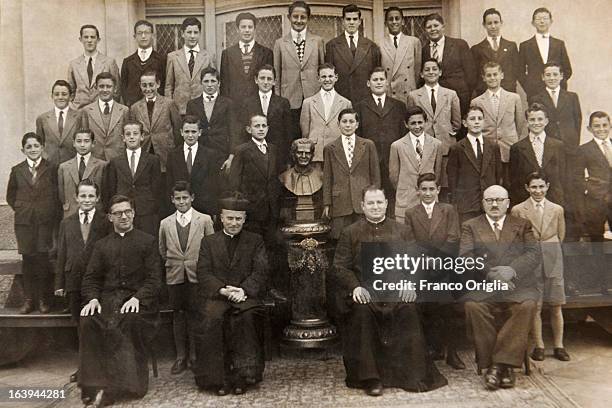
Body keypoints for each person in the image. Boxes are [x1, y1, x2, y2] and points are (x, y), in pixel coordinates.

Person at [332, 186, 447, 396]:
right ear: (362, 206)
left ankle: (410, 376)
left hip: (396, 291)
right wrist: (355, 287)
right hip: (366, 291)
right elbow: (340, 266)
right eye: (370, 203)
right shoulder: (350, 232)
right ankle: (371, 378)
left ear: (386, 204)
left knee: (408, 311)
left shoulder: (402, 230)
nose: (375, 207)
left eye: (379, 202)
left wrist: (409, 283)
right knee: (362, 313)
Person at [78, 194, 160, 406]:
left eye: (128, 212)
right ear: (110, 217)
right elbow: (91, 278)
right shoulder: (102, 245)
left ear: (133, 214)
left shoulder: (147, 241)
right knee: (88, 321)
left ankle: (123, 386)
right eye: (118, 213)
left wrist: (138, 297)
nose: (124, 217)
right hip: (107, 301)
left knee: (128, 321)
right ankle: (92, 384)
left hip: (139, 303)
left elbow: (154, 279)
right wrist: (93, 299)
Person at [461, 185, 540, 391]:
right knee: (472, 306)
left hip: (517, 286)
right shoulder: (470, 226)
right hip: (485, 286)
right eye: (489, 200)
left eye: (498, 200)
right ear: (483, 203)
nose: (494, 204)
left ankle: (497, 366)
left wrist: (511, 271)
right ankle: (502, 367)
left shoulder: (522, 224)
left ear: (507, 202)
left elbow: (534, 254)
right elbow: (466, 258)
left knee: (527, 305)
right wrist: (493, 274)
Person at [193, 192, 268, 395]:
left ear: (244, 219)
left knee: (246, 318)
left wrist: (243, 289)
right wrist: (223, 290)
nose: (234, 223)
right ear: (221, 218)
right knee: (212, 318)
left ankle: (243, 377)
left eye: (238, 218)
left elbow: (260, 271)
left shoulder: (255, 241)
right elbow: (203, 272)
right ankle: (217, 379)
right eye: (230, 218)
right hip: (219, 295)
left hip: (246, 297)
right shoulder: (208, 242)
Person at [403, 173, 464, 369]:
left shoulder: (448, 210)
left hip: (445, 267)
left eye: (432, 189)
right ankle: (431, 348)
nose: (428, 193)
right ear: (417, 191)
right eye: (424, 189)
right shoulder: (411, 213)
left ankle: (452, 352)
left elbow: (454, 238)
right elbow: (410, 242)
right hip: (422, 268)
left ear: (438, 190)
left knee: (448, 306)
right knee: (424, 306)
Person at [511, 172, 569, 362]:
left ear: (548, 186)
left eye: (541, 186)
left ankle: (559, 345)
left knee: (556, 304)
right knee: (535, 305)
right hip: (531, 260)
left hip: (553, 259)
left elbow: (560, 236)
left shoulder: (557, 209)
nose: (538, 191)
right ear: (527, 188)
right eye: (534, 187)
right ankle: (539, 345)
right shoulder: (519, 210)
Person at [55, 179, 108, 383]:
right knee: (79, 326)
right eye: (83, 196)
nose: (87, 200)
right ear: (76, 198)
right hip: (74, 281)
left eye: (91, 196)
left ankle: (101, 367)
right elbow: (61, 253)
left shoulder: (104, 222)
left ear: (98, 198)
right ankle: (84, 368)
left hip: (98, 282)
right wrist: (59, 283)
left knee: (97, 323)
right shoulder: (66, 223)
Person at [159, 181, 214, 375]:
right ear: (172, 200)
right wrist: (176, 263)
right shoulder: (165, 223)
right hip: (175, 275)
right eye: (177, 198)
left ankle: (195, 356)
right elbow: (162, 250)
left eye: (185, 198)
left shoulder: (205, 220)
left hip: (197, 275)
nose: (181, 202)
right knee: (178, 314)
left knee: (196, 313)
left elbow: (211, 247)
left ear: (192, 198)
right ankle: (180, 356)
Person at [230, 114, 283, 296]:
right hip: (253, 211)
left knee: (271, 249)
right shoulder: (242, 150)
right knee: (253, 251)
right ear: (249, 129)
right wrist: (245, 206)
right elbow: (234, 183)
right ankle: (252, 289)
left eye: (264, 125)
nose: (261, 129)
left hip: (271, 211)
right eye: (257, 126)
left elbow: (276, 179)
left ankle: (270, 287)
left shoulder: (274, 150)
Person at [6, 133, 59, 314]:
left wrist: (45, 212)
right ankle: (29, 300)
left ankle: (44, 299)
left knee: (43, 259)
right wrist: (24, 210)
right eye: (29, 147)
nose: (33, 149)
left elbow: (56, 194)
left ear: (42, 147)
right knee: (28, 260)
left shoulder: (51, 168)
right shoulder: (17, 170)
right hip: (25, 224)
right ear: (23, 150)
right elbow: (11, 197)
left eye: (36, 146)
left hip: (44, 222)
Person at [323, 109, 381, 239]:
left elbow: (375, 176)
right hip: (340, 202)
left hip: (363, 200)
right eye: (344, 121)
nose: (348, 125)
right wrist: (327, 203)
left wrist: (374, 199)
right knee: (341, 240)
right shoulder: (330, 148)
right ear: (338, 124)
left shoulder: (368, 145)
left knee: (365, 238)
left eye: (351, 121)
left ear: (357, 124)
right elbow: (327, 177)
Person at [407, 58, 461, 196]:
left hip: (445, 146)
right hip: (424, 147)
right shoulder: (414, 96)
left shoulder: (451, 94)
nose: (431, 72)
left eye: (434, 69)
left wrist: (446, 133)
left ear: (440, 72)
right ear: (421, 74)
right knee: (426, 184)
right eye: (427, 69)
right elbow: (413, 120)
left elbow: (456, 122)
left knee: (445, 184)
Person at [354, 67, 406, 204]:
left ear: (387, 82)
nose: (378, 82)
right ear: (368, 83)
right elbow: (358, 136)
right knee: (372, 195)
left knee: (392, 196)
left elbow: (403, 134)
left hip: (392, 158)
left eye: (381, 79)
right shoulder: (360, 106)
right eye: (375, 79)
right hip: (370, 158)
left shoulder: (399, 106)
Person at [573, 111, 612, 294]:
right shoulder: (584, 149)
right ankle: (602, 283)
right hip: (596, 204)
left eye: (605, 125)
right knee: (598, 243)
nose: (601, 129)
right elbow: (578, 178)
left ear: (610, 126)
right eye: (597, 126)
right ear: (590, 128)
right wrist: (591, 190)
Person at [103, 121, 163, 237]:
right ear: (123, 138)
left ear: (142, 136)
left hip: (146, 211)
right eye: (128, 134)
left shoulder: (152, 160)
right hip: (123, 211)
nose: (131, 137)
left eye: (135, 133)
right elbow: (110, 189)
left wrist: (153, 209)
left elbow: (157, 188)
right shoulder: (115, 162)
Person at [273, 1, 325, 128]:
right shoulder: (280, 43)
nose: (299, 20)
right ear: (289, 17)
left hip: (313, 97)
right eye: (295, 16)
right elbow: (277, 74)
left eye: (303, 17)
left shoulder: (317, 41)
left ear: (308, 18)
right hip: (289, 99)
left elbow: (322, 71)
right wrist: (278, 100)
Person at [447, 106, 503, 223]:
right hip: (467, 205)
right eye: (472, 119)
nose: (477, 122)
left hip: (489, 203)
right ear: (465, 123)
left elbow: (498, 176)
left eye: (480, 118)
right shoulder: (457, 148)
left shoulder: (493, 147)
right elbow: (453, 179)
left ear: (484, 122)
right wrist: (457, 203)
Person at [470, 61, 524, 183]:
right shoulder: (477, 102)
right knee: (490, 182)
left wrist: (512, 138)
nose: (492, 78)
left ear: (502, 75)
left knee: (509, 182)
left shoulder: (514, 98)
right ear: (483, 78)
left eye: (495, 74)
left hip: (509, 146)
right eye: (489, 75)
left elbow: (519, 123)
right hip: (488, 149)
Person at [389, 106, 443, 223]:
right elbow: (394, 177)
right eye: (413, 123)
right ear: (406, 124)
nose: (417, 126)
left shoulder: (436, 144)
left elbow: (437, 173)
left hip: (429, 198)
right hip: (406, 200)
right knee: (406, 236)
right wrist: (404, 189)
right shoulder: (397, 146)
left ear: (426, 122)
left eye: (420, 122)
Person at [185, 67, 239, 181]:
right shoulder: (192, 104)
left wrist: (231, 156)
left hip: (221, 153)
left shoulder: (228, 104)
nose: (210, 85)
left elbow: (233, 131)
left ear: (219, 83)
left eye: (213, 81)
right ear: (201, 83)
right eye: (206, 81)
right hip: (199, 152)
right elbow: (189, 129)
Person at [509, 103, 565, 207]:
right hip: (525, 199)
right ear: (526, 122)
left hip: (553, 199)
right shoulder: (517, 148)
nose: (536, 123)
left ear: (546, 121)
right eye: (532, 120)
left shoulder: (558, 145)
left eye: (540, 119)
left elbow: (563, 175)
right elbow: (514, 180)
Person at [239, 65, 295, 167]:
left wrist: (288, 159)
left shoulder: (283, 103)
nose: (265, 82)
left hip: (278, 154)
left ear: (274, 81)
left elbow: (288, 132)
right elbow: (243, 130)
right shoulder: (247, 102)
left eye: (269, 79)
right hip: (253, 154)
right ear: (256, 80)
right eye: (262, 78)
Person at [421, 13, 476, 117]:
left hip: (460, 97)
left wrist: (467, 96)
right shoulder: (424, 50)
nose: (433, 29)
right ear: (425, 30)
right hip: (436, 98)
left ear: (443, 27)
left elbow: (471, 75)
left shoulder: (459, 45)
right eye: (429, 27)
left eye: (436, 25)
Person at [325, 4, 381, 105]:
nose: (351, 22)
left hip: (365, 100)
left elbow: (376, 76)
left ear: (359, 21)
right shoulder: (332, 45)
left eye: (355, 19)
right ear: (342, 21)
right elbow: (329, 75)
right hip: (341, 100)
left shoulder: (371, 46)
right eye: (348, 19)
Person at [129, 70, 182, 173]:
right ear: (140, 85)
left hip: (165, 151)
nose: (148, 89)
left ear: (158, 84)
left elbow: (177, 129)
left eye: (151, 85)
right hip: (145, 151)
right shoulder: (135, 107)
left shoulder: (169, 104)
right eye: (144, 85)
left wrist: (176, 151)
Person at [299, 63, 352, 162]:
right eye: (323, 76)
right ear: (318, 79)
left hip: (337, 152)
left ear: (336, 78)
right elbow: (305, 132)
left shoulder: (345, 103)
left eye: (330, 76)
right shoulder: (308, 103)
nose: (327, 80)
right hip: (316, 153)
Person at [166, 116, 217, 216]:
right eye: (187, 131)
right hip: (179, 206)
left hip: (203, 206)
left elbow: (213, 184)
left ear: (200, 132)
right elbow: (169, 183)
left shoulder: (210, 155)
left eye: (193, 132)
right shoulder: (173, 155)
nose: (190, 135)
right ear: (181, 132)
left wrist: (212, 208)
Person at [518, 7, 572, 100]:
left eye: (545, 18)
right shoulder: (525, 46)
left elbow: (567, 69)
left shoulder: (559, 44)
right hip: (534, 92)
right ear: (533, 23)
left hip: (557, 93)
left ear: (551, 21)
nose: (542, 21)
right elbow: (519, 71)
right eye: (538, 19)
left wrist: (557, 84)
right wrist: (529, 87)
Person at [165, 17, 214, 115]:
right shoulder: (173, 57)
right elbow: (168, 86)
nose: (192, 36)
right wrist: (169, 109)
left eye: (195, 32)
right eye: (189, 32)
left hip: (202, 108)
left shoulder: (208, 56)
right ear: (183, 33)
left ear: (199, 34)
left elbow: (214, 83)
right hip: (179, 109)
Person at [220, 12, 274, 101]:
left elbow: (269, 83)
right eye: (243, 27)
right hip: (235, 105)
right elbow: (224, 85)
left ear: (255, 29)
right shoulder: (227, 54)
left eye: (250, 27)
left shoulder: (266, 53)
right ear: (237, 29)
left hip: (258, 104)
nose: (247, 30)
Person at [530, 63, 582, 150]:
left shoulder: (572, 97)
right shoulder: (536, 99)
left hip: (569, 144)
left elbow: (577, 121)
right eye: (548, 75)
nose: (552, 78)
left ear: (561, 76)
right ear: (543, 77)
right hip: (548, 144)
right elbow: (534, 124)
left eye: (555, 74)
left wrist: (575, 140)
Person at [67, 24, 120, 109]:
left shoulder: (109, 62)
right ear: (80, 39)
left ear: (98, 40)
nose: (89, 40)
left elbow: (116, 90)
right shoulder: (74, 64)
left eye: (92, 37)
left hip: (102, 111)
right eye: (86, 37)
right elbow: (71, 91)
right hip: (80, 111)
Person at [58, 129, 106, 219]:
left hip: (95, 212)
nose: (82, 145)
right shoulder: (64, 167)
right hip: (70, 213)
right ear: (73, 143)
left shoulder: (102, 165)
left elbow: (104, 192)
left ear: (93, 143)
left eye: (86, 141)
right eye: (79, 141)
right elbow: (61, 195)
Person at [470, 8, 520, 95]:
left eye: (496, 22)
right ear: (484, 25)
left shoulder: (511, 46)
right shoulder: (476, 49)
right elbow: (474, 75)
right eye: (489, 23)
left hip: (508, 91)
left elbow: (516, 71)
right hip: (485, 93)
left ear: (501, 23)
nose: (493, 26)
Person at [81, 72, 129, 161]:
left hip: (117, 158)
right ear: (96, 88)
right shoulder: (87, 111)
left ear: (115, 89)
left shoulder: (124, 110)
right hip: (95, 158)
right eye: (101, 86)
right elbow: (84, 137)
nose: (105, 90)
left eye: (109, 86)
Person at [35, 80, 83, 167]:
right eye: (57, 94)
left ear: (71, 97)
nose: (60, 97)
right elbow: (39, 144)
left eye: (64, 94)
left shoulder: (79, 117)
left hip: (72, 166)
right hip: (49, 166)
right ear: (52, 96)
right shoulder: (42, 119)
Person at [379, 7, 421, 102]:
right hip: (389, 95)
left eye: (397, 18)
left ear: (402, 21)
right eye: (391, 19)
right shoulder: (379, 44)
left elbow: (417, 72)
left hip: (409, 94)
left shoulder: (413, 42)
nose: (394, 22)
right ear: (386, 23)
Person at [120, 20, 167, 107]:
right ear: (134, 36)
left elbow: (165, 84)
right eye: (140, 33)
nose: (143, 36)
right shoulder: (127, 62)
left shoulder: (162, 60)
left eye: (147, 33)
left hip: (156, 107)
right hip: (133, 108)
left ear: (153, 35)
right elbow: (123, 87)